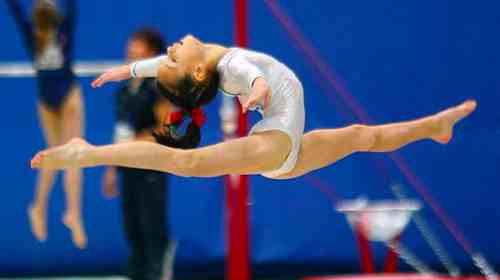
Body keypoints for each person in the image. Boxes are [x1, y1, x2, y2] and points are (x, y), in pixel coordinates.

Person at [30, 35, 476, 184]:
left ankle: (433, 126)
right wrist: (259, 92)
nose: (170, 51)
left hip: (289, 151)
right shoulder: (227, 65)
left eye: (168, 57)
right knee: (188, 163)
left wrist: (128, 70)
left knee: (364, 135)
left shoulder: (207, 60)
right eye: (173, 59)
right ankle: (87, 152)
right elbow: (253, 76)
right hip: (276, 142)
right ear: (198, 72)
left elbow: (164, 65)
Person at [102, 28, 176, 280]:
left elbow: (166, 128)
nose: (131, 50)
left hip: (151, 163)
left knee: (152, 221)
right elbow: (120, 131)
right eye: (130, 46)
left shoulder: (158, 86)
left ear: (152, 53)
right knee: (132, 222)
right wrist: (111, 168)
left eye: (138, 47)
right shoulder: (124, 90)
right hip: (127, 164)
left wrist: (136, 140)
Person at [8, 0, 86, 247]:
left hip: (66, 97)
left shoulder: (59, 31)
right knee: (55, 156)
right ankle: (40, 208)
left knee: (72, 154)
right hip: (47, 101)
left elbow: (71, 7)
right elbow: (15, 9)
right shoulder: (33, 35)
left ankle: (71, 212)